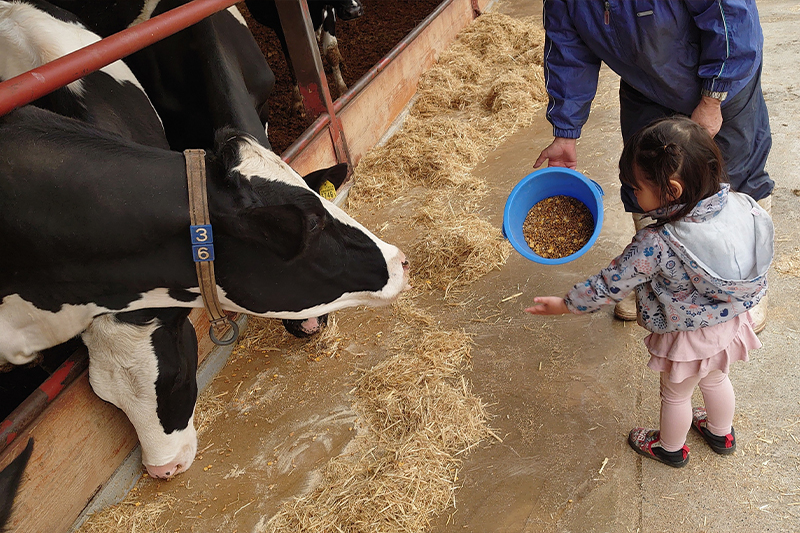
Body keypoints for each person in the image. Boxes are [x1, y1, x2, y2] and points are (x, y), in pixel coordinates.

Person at [526, 117, 773, 467]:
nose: (632, 194)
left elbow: (609, 285)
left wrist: (565, 304)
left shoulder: (655, 243)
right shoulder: (735, 204)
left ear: (671, 190)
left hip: (685, 339)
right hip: (728, 321)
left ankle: (670, 448)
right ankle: (721, 431)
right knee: (717, 378)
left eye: (636, 188)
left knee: (675, 394)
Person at [534, 0, 773, 331]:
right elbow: (567, 48)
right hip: (644, 80)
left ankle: (739, 286)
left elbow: (729, 17)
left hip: (720, 71)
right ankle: (655, 276)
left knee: (729, 172)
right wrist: (565, 129)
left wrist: (713, 96)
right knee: (643, 172)